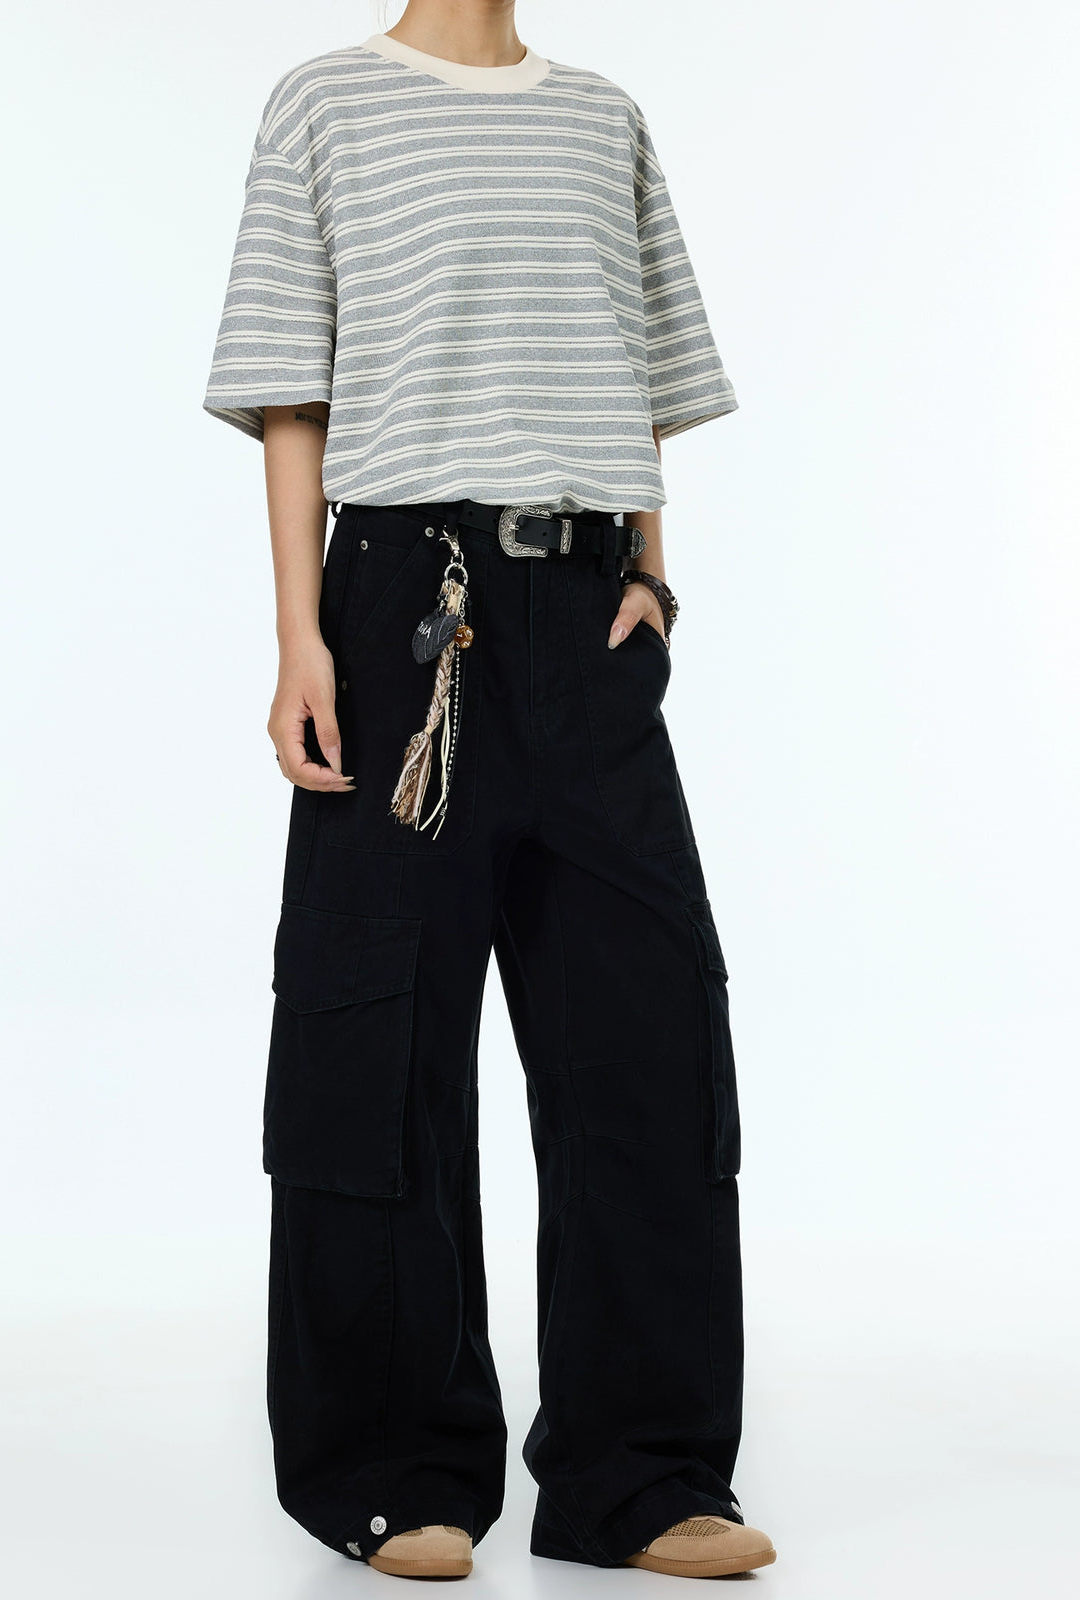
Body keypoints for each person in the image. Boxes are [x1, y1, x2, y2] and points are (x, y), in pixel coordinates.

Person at [202, 0, 776, 1581]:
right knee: (379, 1034)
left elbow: (643, 364)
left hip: (588, 610)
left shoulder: (601, 115)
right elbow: (291, 389)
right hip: (405, 609)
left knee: (647, 1036)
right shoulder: (324, 102)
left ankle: (639, 1475)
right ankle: (392, 1466)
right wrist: (301, 634)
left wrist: (651, 574)